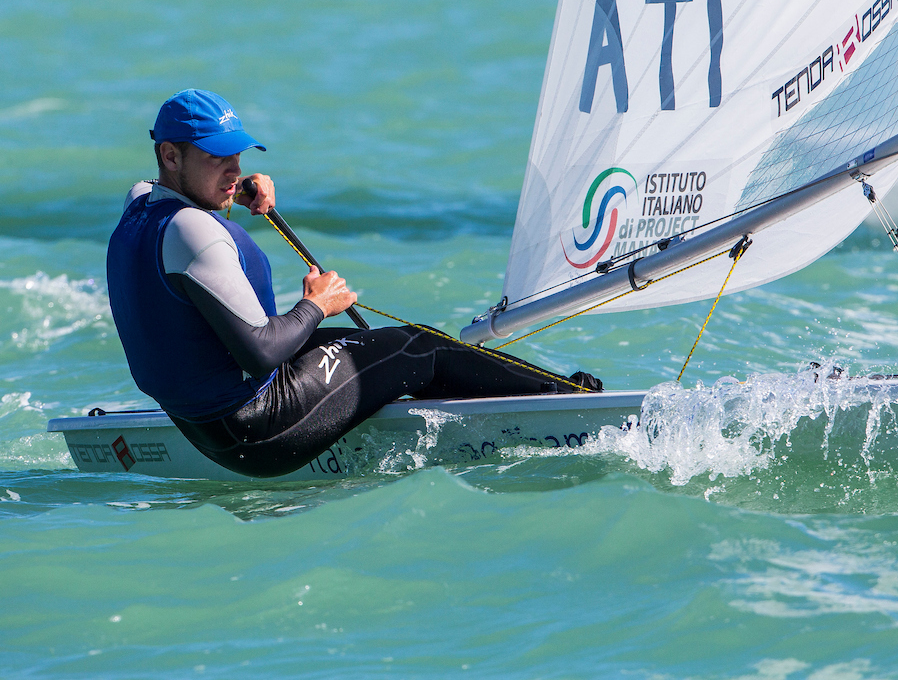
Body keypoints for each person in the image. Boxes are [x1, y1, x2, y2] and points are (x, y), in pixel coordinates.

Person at [107, 89, 601, 478]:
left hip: (203, 428)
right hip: (260, 429)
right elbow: (259, 350)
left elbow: (188, 240)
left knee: (377, 347)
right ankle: (570, 405)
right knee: (418, 349)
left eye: (237, 155)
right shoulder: (194, 232)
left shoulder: (140, 207)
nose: (234, 168)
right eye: (218, 158)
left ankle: (467, 409)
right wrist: (315, 305)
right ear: (170, 156)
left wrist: (230, 188)